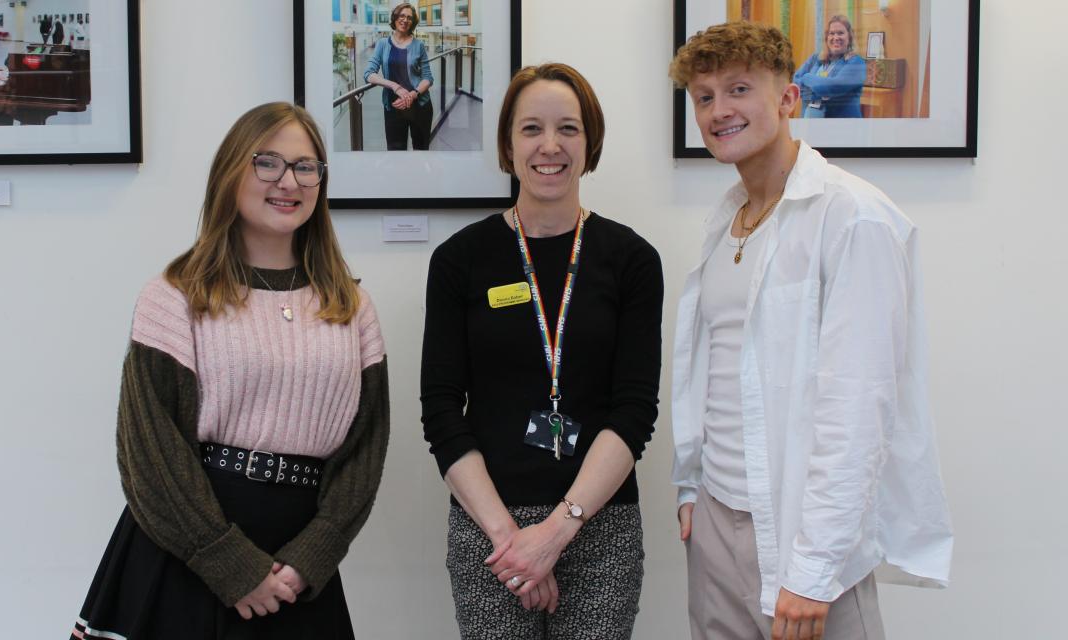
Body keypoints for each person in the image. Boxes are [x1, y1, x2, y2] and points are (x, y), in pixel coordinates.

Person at [668, 21, 952, 640]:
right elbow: (711, 373)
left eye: (739, 89)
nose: (719, 111)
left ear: (788, 99)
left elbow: (859, 405)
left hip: (800, 534)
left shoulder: (854, 218)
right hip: (715, 523)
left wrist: (815, 569)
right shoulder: (727, 222)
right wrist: (693, 490)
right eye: (704, 96)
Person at [71, 102, 389, 640]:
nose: (288, 181)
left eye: (306, 167)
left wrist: (316, 553)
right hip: (184, 554)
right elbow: (149, 452)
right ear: (230, 173)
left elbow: (365, 448)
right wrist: (227, 562)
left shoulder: (351, 306)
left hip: (298, 569)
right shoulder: (175, 296)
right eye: (268, 163)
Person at [420, 63, 663, 639]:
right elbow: (441, 411)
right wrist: (512, 542)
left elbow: (634, 412)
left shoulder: (631, 260)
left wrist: (555, 533)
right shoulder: (460, 260)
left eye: (568, 129)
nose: (549, 146)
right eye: (531, 129)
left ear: (590, 142)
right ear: (507, 144)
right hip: (489, 530)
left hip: (600, 526)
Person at [363, 2, 434, 150]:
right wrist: (395, 86)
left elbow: (428, 77)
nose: (405, 20)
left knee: (421, 150)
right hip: (394, 108)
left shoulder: (418, 45)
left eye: (409, 17)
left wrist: (413, 94)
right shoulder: (382, 44)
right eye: (402, 15)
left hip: (420, 106)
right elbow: (369, 74)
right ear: (395, 18)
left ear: (412, 22)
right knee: (395, 153)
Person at [793, 15, 867, 118]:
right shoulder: (816, 58)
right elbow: (795, 82)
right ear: (826, 37)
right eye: (831, 33)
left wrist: (807, 77)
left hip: (842, 129)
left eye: (840, 33)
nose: (836, 38)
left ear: (849, 37)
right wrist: (822, 93)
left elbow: (832, 87)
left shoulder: (856, 62)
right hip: (810, 125)